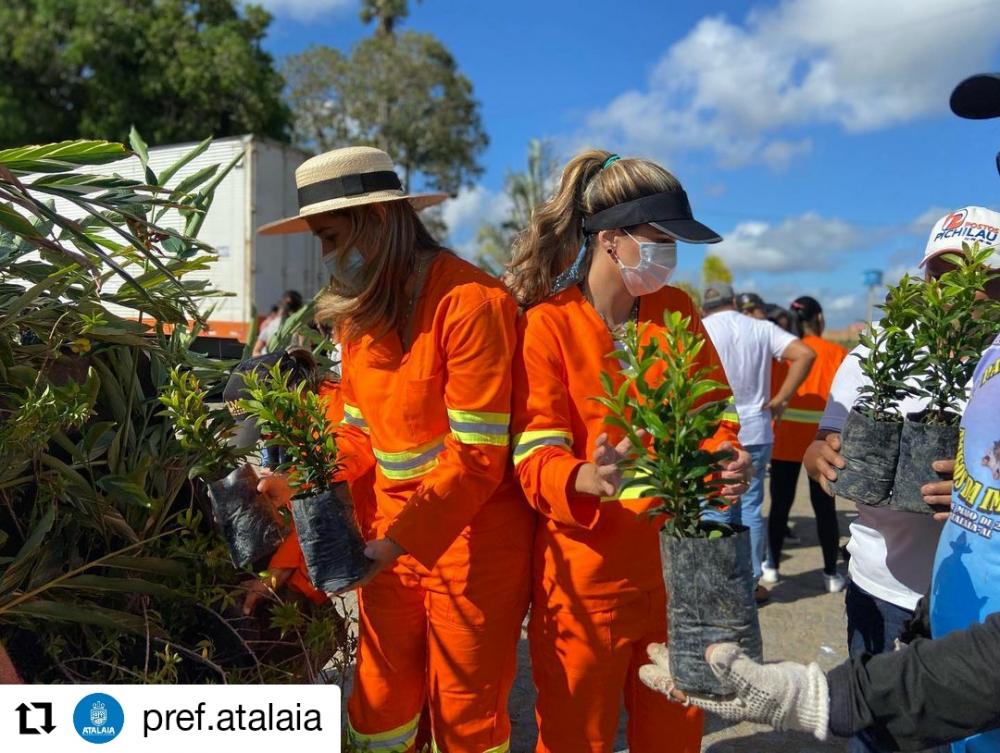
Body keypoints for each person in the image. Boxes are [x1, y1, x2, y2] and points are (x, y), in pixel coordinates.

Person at [255, 146, 534, 753]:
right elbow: (356, 431)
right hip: (389, 539)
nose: (329, 255)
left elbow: (477, 457)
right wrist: (302, 477)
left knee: (467, 712)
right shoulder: (360, 321)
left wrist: (396, 542)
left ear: (378, 221)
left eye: (331, 236)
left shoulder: (471, 303)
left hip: (474, 544)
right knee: (382, 702)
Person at [506, 149, 752, 753]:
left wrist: (727, 456)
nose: (671, 253)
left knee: (675, 730)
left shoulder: (677, 312)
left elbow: (713, 409)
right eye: (661, 237)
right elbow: (534, 451)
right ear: (612, 239)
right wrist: (584, 477)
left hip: (675, 572)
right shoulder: (548, 326)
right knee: (574, 737)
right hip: (585, 580)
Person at [804, 205, 1000, 753]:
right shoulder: (878, 351)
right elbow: (827, 436)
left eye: (985, 279)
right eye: (946, 274)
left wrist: (975, 491)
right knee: (873, 735)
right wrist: (818, 455)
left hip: (976, 613)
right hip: (880, 587)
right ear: (925, 278)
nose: (966, 293)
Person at [700, 282, 815, 601]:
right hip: (757, 429)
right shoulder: (761, 328)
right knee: (749, 507)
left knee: (715, 503)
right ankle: (750, 582)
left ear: (705, 307)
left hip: (714, 434)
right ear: (735, 301)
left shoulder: (701, 328)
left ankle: (716, 583)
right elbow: (805, 354)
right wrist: (781, 399)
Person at [764, 296, 848, 592]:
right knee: (825, 508)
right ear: (820, 318)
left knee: (779, 507)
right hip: (823, 442)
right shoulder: (836, 353)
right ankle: (830, 574)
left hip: (785, 439)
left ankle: (771, 567)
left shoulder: (784, 354)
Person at [252, 290, 303, 356]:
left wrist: (264, 361)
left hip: (268, 361)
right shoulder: (300, 329)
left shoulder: (270, 324)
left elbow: (256, 351)